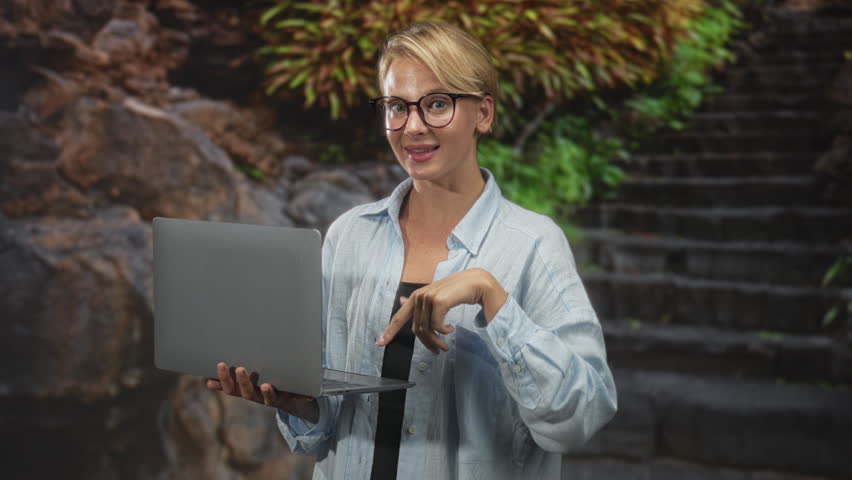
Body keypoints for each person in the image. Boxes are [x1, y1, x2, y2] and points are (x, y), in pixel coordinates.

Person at [206, 21, 617, 479]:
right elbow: (326, 430)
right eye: (397, 107)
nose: (413, 127)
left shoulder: (532, 245)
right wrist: (296, 401)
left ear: (483, 113)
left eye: (437, 104)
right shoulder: (348, 236)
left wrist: (492, 299)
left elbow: (583, 416)